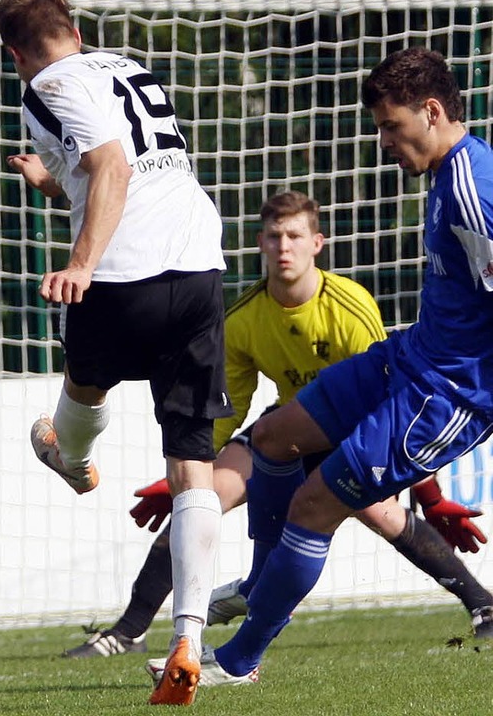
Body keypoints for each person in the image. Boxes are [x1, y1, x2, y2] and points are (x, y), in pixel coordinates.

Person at [63, 191, 492, 670]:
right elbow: (228, 409)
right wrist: (188, 477)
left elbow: (392, 400)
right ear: (259, 244)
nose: (283, 246)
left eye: (294, 236)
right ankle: (129, 631)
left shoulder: (350, 306)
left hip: (353, 430)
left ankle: (481, 602)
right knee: (201, 499)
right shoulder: (244, 317)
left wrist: (427, 496)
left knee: (380, 513)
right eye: (273, 236)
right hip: (287, 430)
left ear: (317, 244)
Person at [198, 46, 493, 685]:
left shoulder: (474, 187)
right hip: (410, 358)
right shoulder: (449, 176)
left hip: (447, 394)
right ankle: (261, 581)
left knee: (314, 503)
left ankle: (238, 660)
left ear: (433, 112)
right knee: (275, 436)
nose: (384, 141)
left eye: (391, 126)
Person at [0, 0, 233, 706]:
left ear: (14, 54)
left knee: (84, 389)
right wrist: (53, 180)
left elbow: (112, 166)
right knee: (194, 463)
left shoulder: (44, 85)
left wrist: (81, 265)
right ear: (77, 27)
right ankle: (187, 638)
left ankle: (69, 455)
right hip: (198, 265)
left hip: (124, 272)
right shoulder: (124, 65)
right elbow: (122, 164)